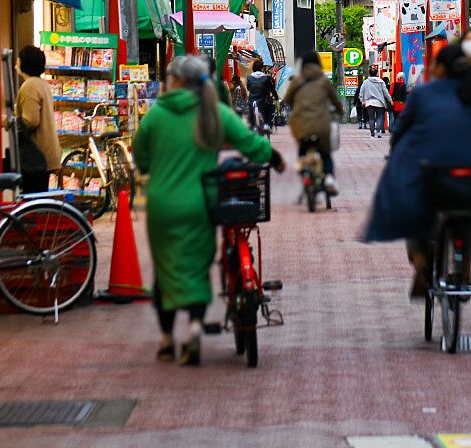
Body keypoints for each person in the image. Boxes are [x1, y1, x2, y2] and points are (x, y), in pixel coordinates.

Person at [132, 55, 284, 366]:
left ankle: (165, 340)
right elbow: (250, 143)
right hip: (201, 202)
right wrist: (275, 157)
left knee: (167, 269)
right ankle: (193, 332)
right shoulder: (213, 112)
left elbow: (141, 158)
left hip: (162, 204)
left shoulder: (156, 115)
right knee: (195, 269)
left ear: (174, 81)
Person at [364, 43, 471, 296]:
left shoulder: (423, 95)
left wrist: (400, 152)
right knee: (467, 217)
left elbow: (400, 131)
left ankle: (421, 262)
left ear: (439, 68)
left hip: (431, 175)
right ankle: (463, 269)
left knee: (416, 216)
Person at [285, 51, 344, 195]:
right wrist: (340, 112)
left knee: (303, 148)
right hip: (321, 124)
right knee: (325, 153)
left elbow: (287, 99)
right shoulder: (324, 81)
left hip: (301, 124)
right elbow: (335, 101)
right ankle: (329, 177)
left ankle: (302, 167)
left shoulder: (297, 81)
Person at [14, 45, 61, 195]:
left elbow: (31, 120)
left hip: (36, 156)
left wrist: (10, 122)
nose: (16, 62)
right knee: (39, 201)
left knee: (31, 201)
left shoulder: (30, 86)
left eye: (19, 59)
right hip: (45, 153)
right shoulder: (42, 84)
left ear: (24, 62)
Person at [358, 68, 393, 138]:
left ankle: (372, 133)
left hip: (369, 102)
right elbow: (386, 92)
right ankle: (378, 132)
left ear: (369, 74)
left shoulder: (365, 82)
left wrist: (362, 101)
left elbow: (361, 93)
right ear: (377, 74)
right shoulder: (381, 82)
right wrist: (390, 100)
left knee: (371, 118)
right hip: (379, 102)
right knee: (379, 117)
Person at [245, 59, 277, 133]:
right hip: (264, 101)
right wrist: (276, 97)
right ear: (262, 68)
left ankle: (252, 125)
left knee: (250, 110)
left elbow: (248, 88)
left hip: (253, 101)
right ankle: (267, 124)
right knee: (269, 108)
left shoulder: (249, 78)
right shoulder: (267, 78)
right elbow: (272, 89)